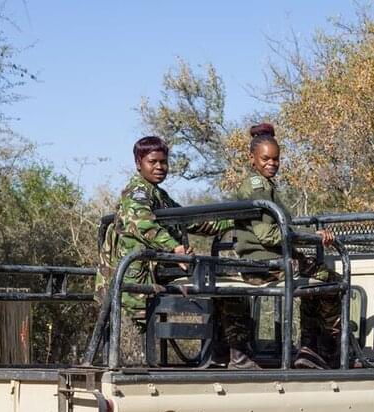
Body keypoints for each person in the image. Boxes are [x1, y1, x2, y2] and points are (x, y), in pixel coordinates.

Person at [97, 135, 256, 368]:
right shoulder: (137, 192)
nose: (159, 167)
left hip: (156, 271)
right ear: (139, 164)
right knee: (229, 289)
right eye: (153, 162)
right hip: (140, 277)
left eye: (163, 162)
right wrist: (175, 248)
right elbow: (143, 224)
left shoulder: (159, 195)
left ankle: (223, 355)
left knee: (224, 286)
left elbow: (193, 221)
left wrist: (237, 220)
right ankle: (235, 357)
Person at [231, 123, 341, 369]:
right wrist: (311, 236)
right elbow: (267, 234)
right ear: (252, 159)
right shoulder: (257, 187)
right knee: (331, 281)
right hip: (266, 262)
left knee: (317, 279)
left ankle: (311, 349)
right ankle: (322, 347)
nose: (272, 163)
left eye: (276, 159)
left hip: (267, 259)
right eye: (266, 159)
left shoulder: (264, 185)